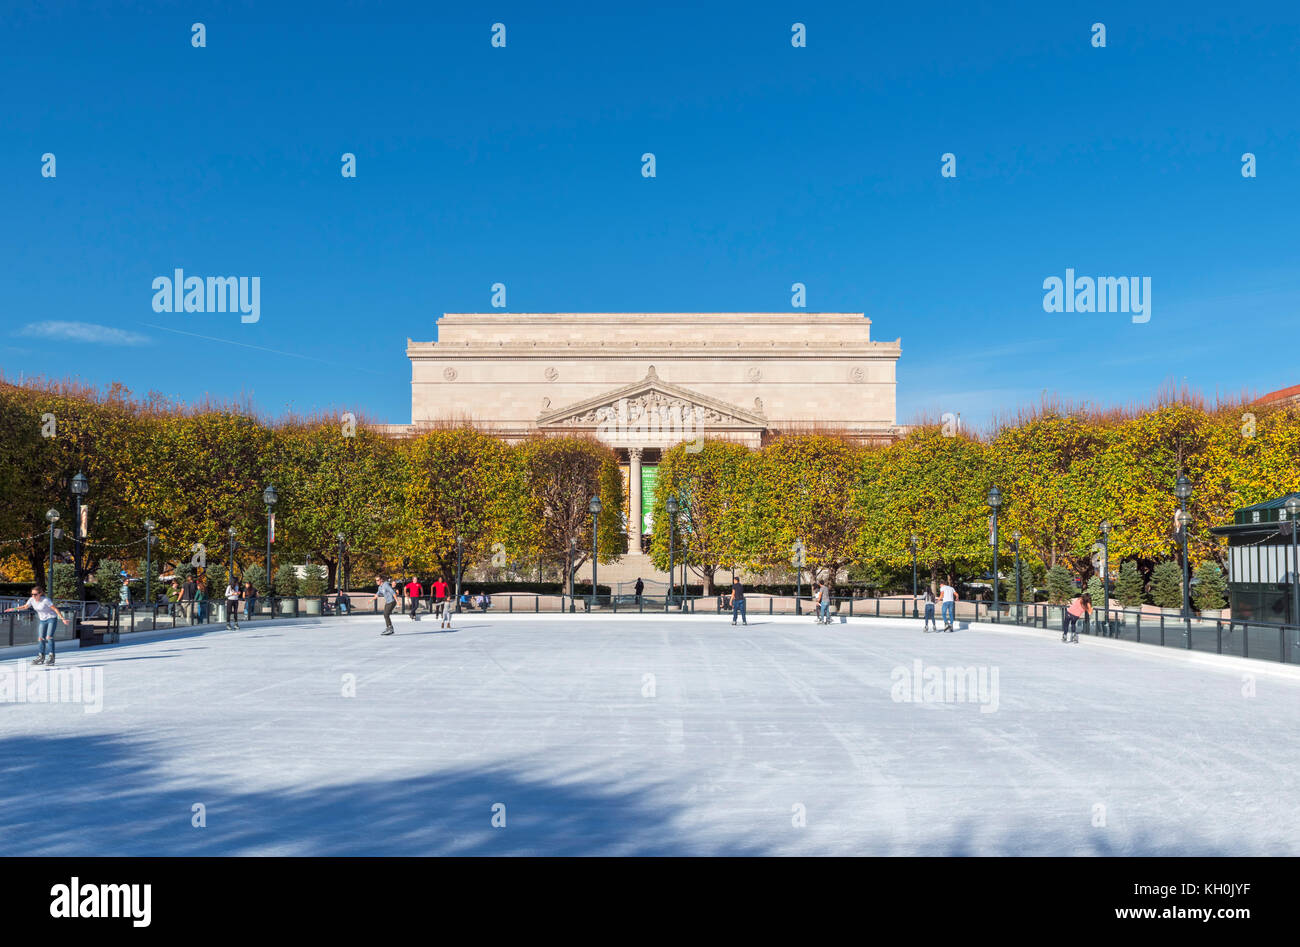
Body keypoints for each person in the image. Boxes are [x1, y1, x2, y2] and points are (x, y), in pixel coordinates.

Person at [3, 585, 66, 666]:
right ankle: (41, 656)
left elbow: (55, 609)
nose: (33, 596)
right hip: (42, 620)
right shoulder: (31, 600)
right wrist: (13, 609)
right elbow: (25, 606)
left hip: (51, 619)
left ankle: (51, 657)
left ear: (40, 594)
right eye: (32, 594)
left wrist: (62, 618)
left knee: (49, 637)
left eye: (35, 594)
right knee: (40, 638)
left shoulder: (46, 600)